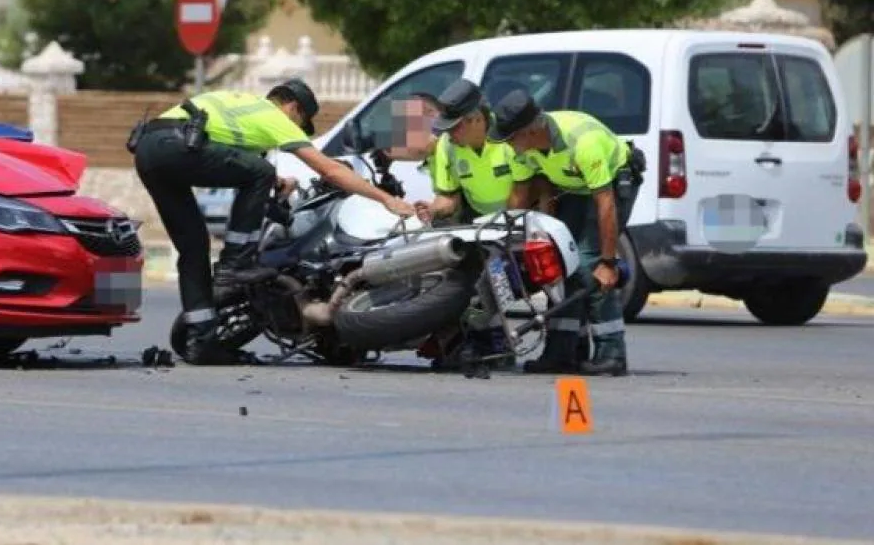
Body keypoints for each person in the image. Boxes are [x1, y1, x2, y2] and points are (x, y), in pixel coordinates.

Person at [129, 79, 417, 365]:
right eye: (300, 123)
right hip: (178, 145)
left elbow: (224, 159)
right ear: (292, 107)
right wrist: (386, 199)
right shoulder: (271, 115)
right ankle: (236, 264)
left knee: (193, 248)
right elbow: (328, 169)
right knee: (260, 172)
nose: (296, 131)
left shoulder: (243, 105)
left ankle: (202, 342)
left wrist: (274, 181)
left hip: (150, 150)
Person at [488, 89, 645, 376]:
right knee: (557, 264)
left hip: (612, 186)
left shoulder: (583, 142)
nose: (508, 145)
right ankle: (564, 350)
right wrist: (509, 245)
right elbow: (519, 198)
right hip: (574, 187)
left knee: (588, 265)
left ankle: (612, 352)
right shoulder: (521, 150)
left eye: (511, 137)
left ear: (532, 130)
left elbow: (605, 203)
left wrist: (608, 263)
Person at [413, 79, 550, 370]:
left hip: (519, 221)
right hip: (479, 227)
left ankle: (497, 339)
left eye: (455, 126)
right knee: (451, 270)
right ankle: (474, 337)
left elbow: (525, 193)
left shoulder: (507, 140)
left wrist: (505, 230)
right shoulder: (448, 147)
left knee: (494, 274)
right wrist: (432, 208)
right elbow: (448, 197)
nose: (450, 134)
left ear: (476, 119)